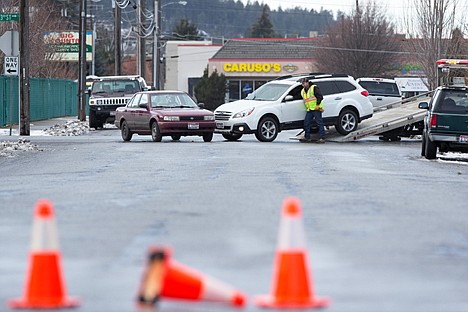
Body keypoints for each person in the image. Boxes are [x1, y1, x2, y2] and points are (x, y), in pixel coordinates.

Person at [300, 78, 325, 143]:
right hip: (309, 109)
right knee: (306, 123)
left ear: (307, 82)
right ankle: (307, 137)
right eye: (302, 83)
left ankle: (322, 138)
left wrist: (317, 104)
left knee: (319, 123)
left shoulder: (314, 88)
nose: (303, 85)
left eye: (304, 83)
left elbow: (320, 97)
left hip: (316, 108)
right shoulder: (302, 91)